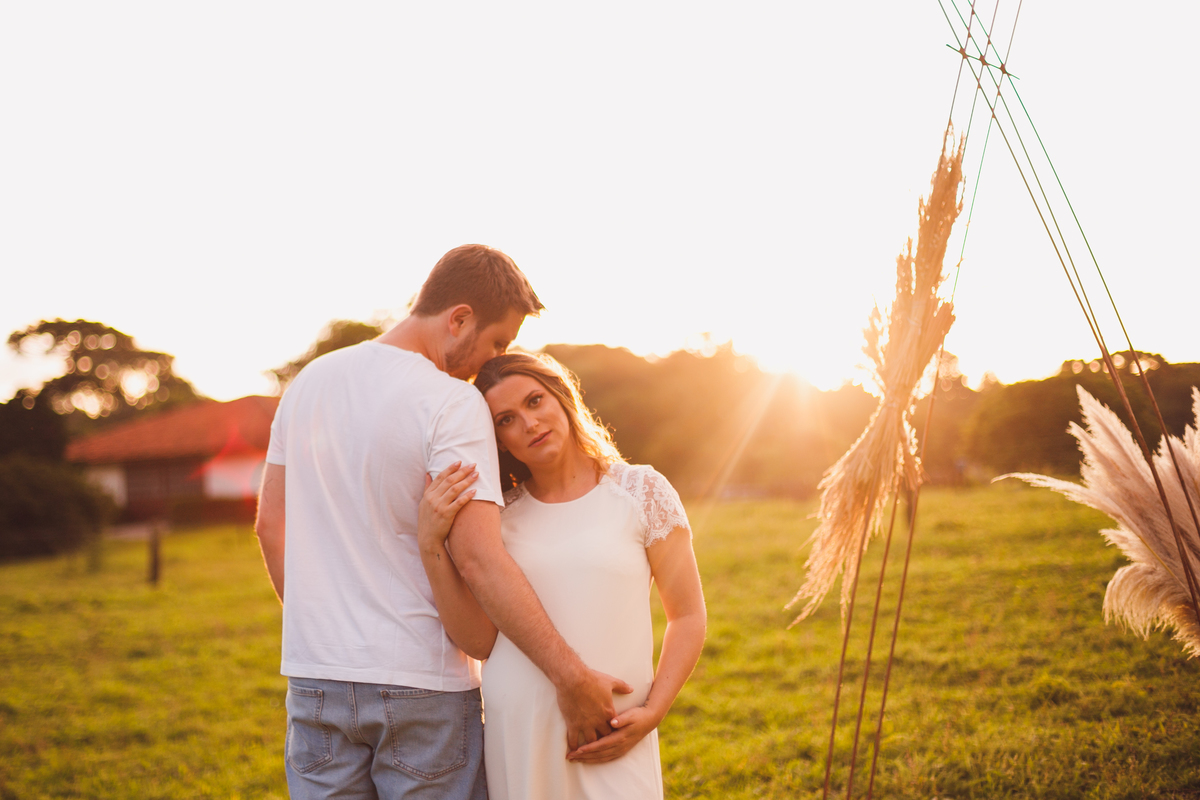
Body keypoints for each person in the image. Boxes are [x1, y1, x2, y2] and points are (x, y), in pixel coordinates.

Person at [255, 245, 627, 799]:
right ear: (459, 319)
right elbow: (479, 558)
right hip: (420, 688)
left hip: (314, 682)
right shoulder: (451, 402)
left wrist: (324, 631)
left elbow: (268, 524)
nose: (492, 358)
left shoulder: (308, 382)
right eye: (498, 341)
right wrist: (570, 676)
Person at [418, 353, 707, 800]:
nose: (529, 424)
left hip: (611, 730)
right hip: (518, 730)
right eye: (506, 420)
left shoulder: (640, 491)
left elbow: (687, 616)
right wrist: (432, 545)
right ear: (496, 440)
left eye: (535, 401)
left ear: (563, 397)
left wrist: (654, 711)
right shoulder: (498, 518)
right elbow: (478, 643)